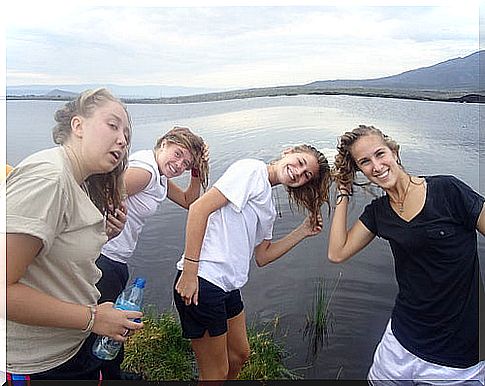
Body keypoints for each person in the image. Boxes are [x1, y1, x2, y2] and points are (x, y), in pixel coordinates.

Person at [328, 124, 485, 385]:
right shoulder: (379, 213)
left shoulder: (448, 191)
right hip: (400, 341)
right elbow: (337, 252)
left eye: (380, 154)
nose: (376, 166)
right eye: (364, 162)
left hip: (457, 356)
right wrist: (343, 191)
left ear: (394, 152)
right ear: (360, 170)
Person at [6, 88, 143, 380]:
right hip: (40, 365)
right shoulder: (48, 178)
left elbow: (52, 256)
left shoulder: (75, 180)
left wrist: (101, 234)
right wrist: (94, 318)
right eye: (112, 125)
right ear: (77, 125)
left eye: (126, 135)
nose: (122, 139)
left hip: (67, 348)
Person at [174, 144, 331, 381]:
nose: (298, 173)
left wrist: (302, 231)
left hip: (227, 286)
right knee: (214, 373)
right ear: (288, 151)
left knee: (239, 355)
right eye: (300, 162)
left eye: (306, 175)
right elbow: (198, 209)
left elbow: (263, 256)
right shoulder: (251, 170)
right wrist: (189, 271)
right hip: (203, 280)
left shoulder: (268, 206)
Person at [95, 125, 209, 378]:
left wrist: (197, 172)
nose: (180, 165)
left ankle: (112, 373)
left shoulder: (158, 176)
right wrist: (105, 224)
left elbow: (190, 202)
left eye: (186, 163)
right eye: (178, 154)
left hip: (115, 256)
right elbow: (103, 193)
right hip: (104, 257)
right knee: (103, 324)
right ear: (165, 143)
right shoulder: (146, 170)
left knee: (112, 321)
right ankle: (101, 375)